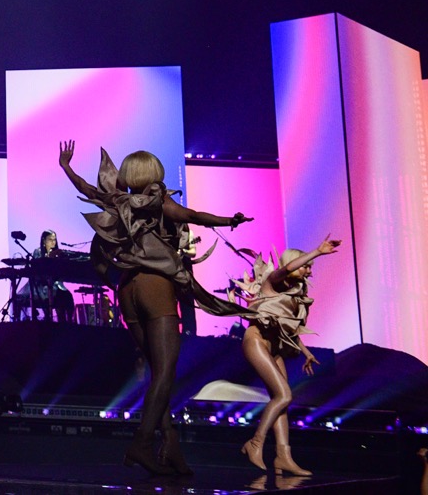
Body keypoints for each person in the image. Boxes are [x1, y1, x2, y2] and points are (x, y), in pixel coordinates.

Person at [58, 140, 250, 476]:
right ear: (153, 173)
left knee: (155, 371)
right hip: (154, 287)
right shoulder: (157, 200)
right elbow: (190, 215)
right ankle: (143, 443)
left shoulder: (118, 200)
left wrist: (66, 167)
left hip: (127, 288)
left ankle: (170, 442)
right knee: (165, 372)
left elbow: (88, 189)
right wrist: (228, 220)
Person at [238, 236, 340, 476]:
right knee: (284, 395)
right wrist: (317, 251)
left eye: (310, 267)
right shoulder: (273, 281)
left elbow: (288, 330)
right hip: (256, 341)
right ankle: (255, 443)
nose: (308, 271)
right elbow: (288, 268)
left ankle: (283, 457)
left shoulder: (296, 293)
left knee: (283, 402)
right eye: (305, 266)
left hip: (275, 348)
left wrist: (306, 353)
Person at [18, 230, 75, 322]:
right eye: (50, 239)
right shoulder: (38, 251)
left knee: (67, 296)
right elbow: (38, 268)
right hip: (41, 286)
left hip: (56, 285)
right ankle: (48, 320)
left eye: (54, 239)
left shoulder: (58, 253)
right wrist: (50, 257)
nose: (53, 242)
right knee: (50, 296)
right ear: (44, 240)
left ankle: (66, 323)